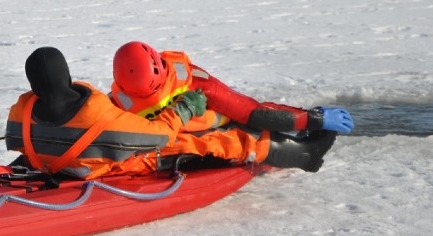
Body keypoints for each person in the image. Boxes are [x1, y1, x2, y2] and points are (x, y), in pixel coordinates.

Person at [109, 41, 355, 172]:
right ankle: (301, 153)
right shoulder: (119, 101)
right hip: (173, 144)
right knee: (221, 140)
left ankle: (304, 154)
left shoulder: (196, 84)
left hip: (207, 129)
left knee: (241, 132)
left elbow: (252, 112)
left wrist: (310, 119)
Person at [5, 46, 209, 179]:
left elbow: (13, 140)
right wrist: (184, 109)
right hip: (98, 170)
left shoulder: (19, 115)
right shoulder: (101, 118)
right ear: (66, 75)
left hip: (46, 166)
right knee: (190, 142)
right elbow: (161, 136)